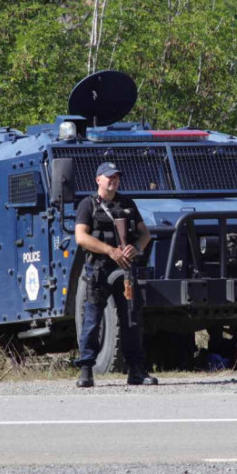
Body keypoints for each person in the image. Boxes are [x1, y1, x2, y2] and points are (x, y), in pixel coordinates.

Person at [74, 162, 157, 387]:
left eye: (116, 177)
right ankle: (86, 370)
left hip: (125, 270)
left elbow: (145, 234)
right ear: (98, 179)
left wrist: (136, 248)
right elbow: (81, 237)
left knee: (131, 319)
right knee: (92, 320)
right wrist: (110, 250)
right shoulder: (87, 205)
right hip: (99, 269)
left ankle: (136, 371)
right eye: (109, 177)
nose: (114, 180)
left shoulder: (127, 204)